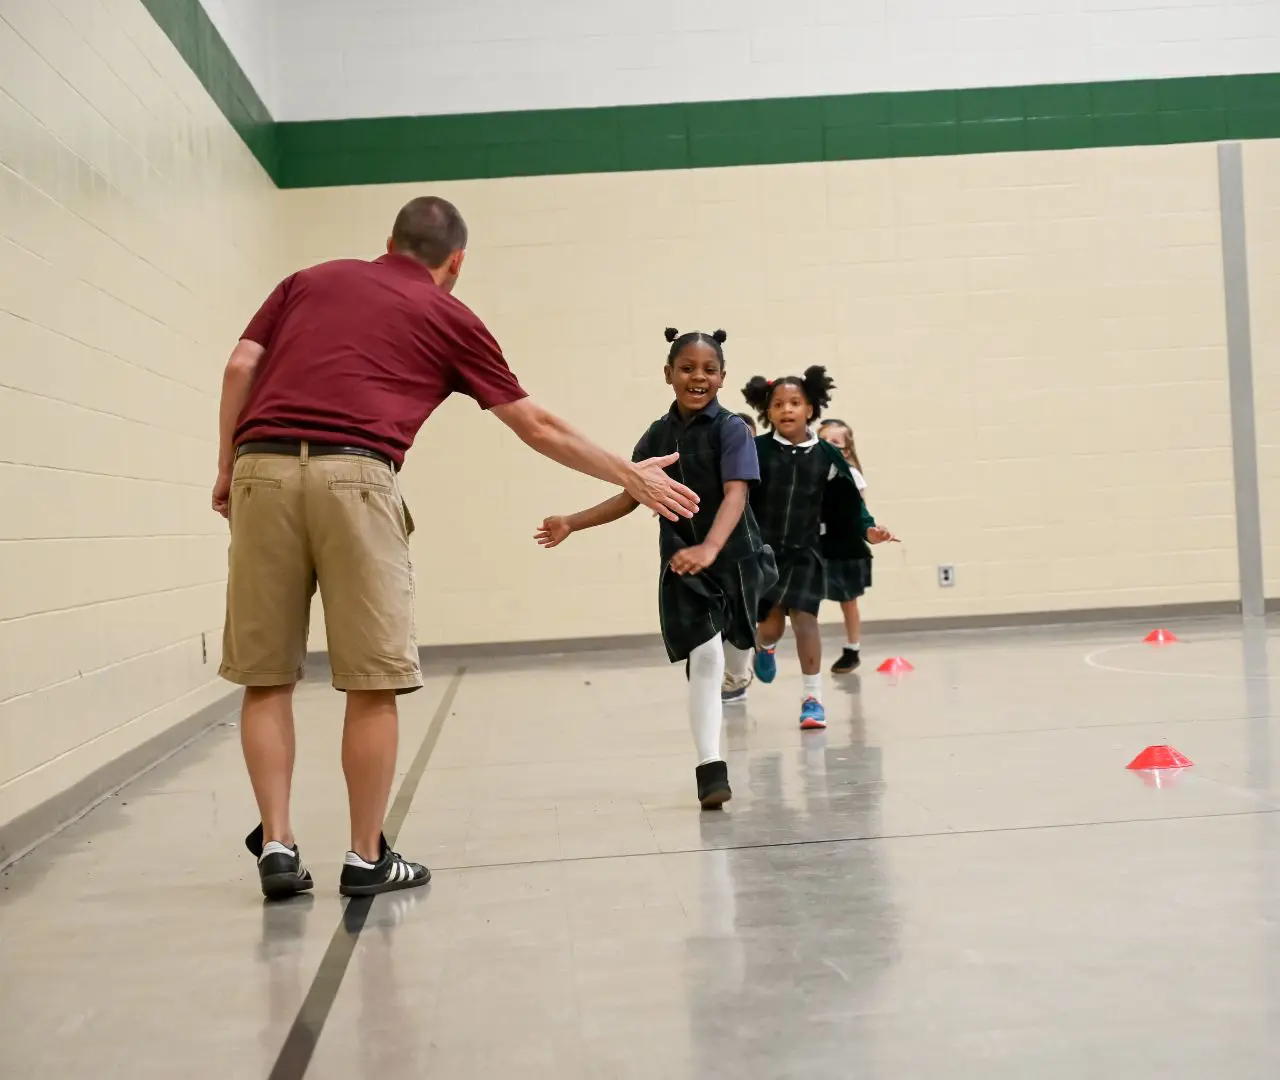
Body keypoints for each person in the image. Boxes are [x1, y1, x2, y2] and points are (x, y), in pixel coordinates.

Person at [213, 196, 700, 900]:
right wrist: (629, 475)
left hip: (261, 467)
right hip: (357, 475)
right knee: (373, 681)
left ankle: (279, 845)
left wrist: (227, 467)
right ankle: (365, 857)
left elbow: (239, 367)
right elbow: (535, 424)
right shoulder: (448, 315)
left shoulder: (308, 280)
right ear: (456, 262)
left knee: (266, 676)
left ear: (388, 241)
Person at [534, 329, 775, 809]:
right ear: (668, 374)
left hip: (737, 557)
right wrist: (572, 522)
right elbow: (631, 494)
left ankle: (747, 661)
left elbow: (736, 495)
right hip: (684, 562)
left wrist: (711, 547)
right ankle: (710, 767)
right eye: (687, 368)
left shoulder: (732, 429)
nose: (697, 377)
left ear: (722, 377)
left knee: (737, 646)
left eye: (708, 370)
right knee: (704, 656)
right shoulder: (657, 435)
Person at [726, 367, 894, 730]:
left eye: (795, 403)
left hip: (806, 553)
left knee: (806, 620)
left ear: (810, 409)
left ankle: (812, 699)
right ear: (768, 412)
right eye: (778, 404)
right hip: (764, 555)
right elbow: (734, 496)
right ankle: (765, 646)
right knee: (771, 626)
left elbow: (850, 501)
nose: (786, 409)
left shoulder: (827, 455)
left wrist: (868, 529)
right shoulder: (756, 451)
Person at [818, 419, 872, 674]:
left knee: (848, 600)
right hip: (816, 545)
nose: (828, 446)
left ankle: (853, 649)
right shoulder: (807, 472)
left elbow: (860, 512)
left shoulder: (851, 476)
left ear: (846, 450)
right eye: (823, 441)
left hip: (845, 548)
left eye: (835, 442)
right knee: (803, 600)